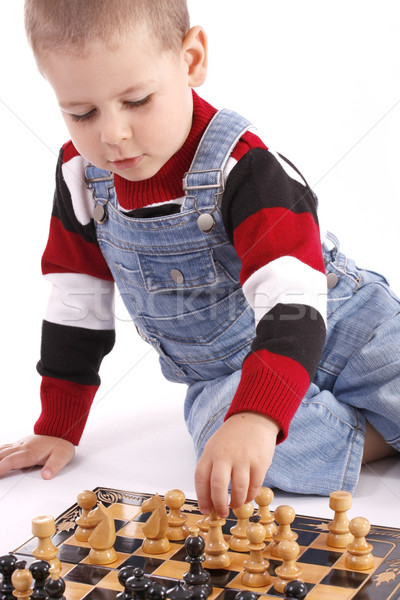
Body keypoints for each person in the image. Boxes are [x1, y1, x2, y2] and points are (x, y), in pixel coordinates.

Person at [0, 0, 399, 519]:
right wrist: (58, 422)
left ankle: (341, 409)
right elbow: (77, 299)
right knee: (225, 448)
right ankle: (374, 435)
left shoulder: (245, 167)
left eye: (137, 100)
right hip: (226, 371)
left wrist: (258, 416)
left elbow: (293, 304)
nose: (112, 134)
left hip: (339, 321)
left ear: (190, 60)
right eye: (82, 113)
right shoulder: (81, 176)